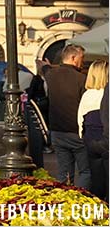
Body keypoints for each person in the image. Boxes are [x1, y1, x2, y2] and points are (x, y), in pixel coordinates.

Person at [42, 44, 90, 189]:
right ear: (74, 57)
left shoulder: (51, 74)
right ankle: (81, 199)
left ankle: (64, 202)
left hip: (57, 131)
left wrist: (45, 65)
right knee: (86, 171)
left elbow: (44, 69)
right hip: (77, 132)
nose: (83, 61)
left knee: (64, 173)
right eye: (82, 58)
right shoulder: (82, 79)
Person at [79, 60, 106, 197]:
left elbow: (80, 120)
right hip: (104, 138)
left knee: (96, 179)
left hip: (90, 140)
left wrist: (83, 137)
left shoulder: (87, 95)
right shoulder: (105, 94)